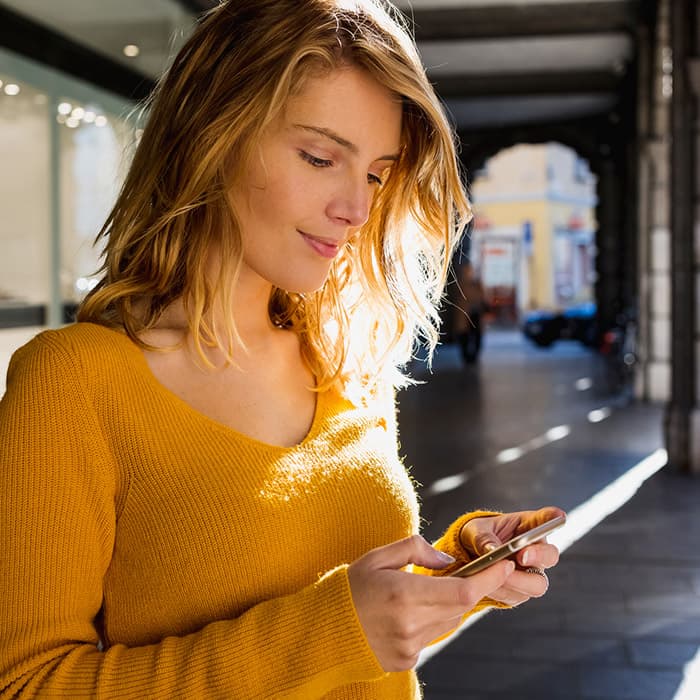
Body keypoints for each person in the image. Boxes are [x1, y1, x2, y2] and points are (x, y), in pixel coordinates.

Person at [0, 1, 563, 697]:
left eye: (375, 174)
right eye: (321, 157)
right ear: (213, 136)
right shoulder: (74, 382)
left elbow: (359, 638)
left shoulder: (346, 361)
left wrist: (454, 576)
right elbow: (26, 684)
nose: (355, 209)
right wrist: (335, 628)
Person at [454, 261, 487, 363]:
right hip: (465, 316)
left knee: (477, 337)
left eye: (470, 271)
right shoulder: (461, 284)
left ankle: (473, 357)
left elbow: (481, 298)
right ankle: (466, 357)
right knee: (464, 337)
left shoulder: (477, 284)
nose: (469, 273)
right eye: (467, 271)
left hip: (475, 315)